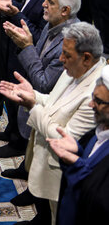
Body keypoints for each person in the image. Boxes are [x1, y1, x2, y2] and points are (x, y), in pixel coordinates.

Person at [0, 22, 106, 224]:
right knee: (44, 212)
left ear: (86, 58)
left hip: (59, 172)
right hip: (43, 158)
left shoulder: (96, 92)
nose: (60, 59)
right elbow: (54, 102)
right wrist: (34, 95)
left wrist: (33, 106)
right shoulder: (73, 69)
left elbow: (64, 138)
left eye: (66, 54)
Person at [0, 0, 80, 179]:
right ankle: (26, 170)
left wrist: (26, 47)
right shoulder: (53, 23)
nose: (43, 5)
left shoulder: (70, 42)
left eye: (50, 2)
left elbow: (44, 84)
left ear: (65, 10)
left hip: (48, 112)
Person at [48, 65, 109, 225]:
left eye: (99, 101)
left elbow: (101, 201)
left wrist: (77, 165)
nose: (91, 105)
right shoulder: (95, 133)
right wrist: (77, 152)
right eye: (93, 98)